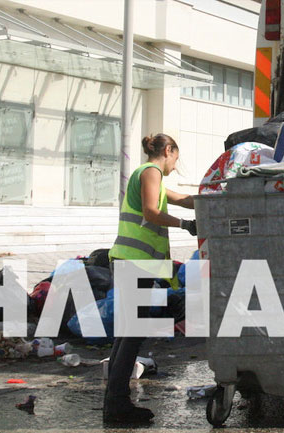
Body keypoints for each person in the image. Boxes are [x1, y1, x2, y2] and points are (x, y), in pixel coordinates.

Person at [103, 133, 197, 424]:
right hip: (134, 263)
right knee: (131, 336)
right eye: (175, 159)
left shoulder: (151, 176)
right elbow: (151, 211)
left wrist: (213, 202)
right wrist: (187, 225)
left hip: (133, 263)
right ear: (168, 151)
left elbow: (182, 198)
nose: (173, 166)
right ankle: (117, 406)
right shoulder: (151, 172)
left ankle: (115, 403)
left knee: (127, 334)